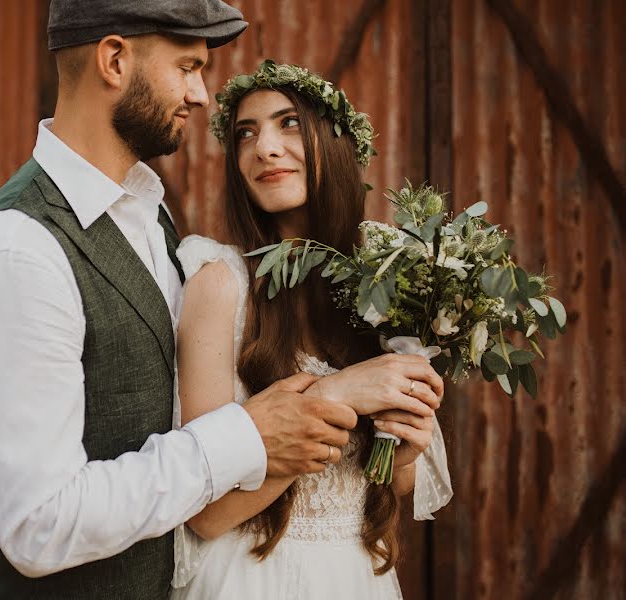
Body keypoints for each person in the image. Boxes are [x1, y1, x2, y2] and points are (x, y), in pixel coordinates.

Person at [0, 4, 381, 599]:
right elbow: (38, 526)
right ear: (115, 60)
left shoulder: (149, 219)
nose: (201, 95)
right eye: (189, 66)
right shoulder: (17, 250)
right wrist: (245, 437)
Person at [169, 61, 454, 599]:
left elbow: (393, 489)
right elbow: (203, 516)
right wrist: (332, 400)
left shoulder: (393, 282)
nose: (264, 148)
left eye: (288, 124)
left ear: (336, 142)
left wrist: (406, 449)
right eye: (244, 134)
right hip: (249, 574)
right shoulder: (219, 285)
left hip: (355, 578)